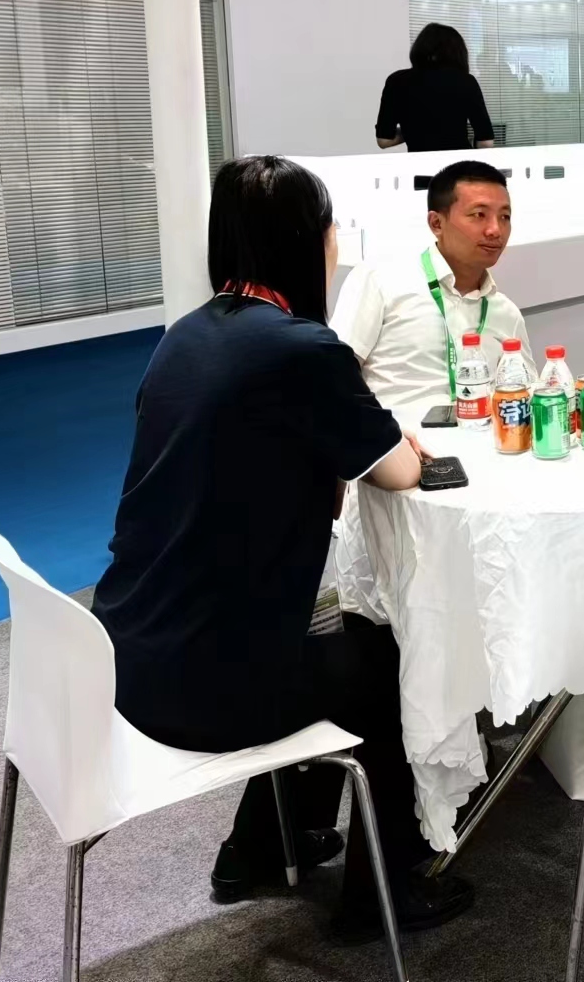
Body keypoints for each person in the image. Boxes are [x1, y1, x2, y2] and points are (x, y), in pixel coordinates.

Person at [91, 156, 472, 938]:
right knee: (389, 658)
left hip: (125, 657)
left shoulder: (186, 336)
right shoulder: (300, 351)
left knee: (328, 636)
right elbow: (400, 471)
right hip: (207, 686)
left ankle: (262, 848)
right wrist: (388, 438)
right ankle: (381, 897)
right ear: (308, 241)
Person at [332, 160, 531, 415]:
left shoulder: (507, 313)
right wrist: (383, 432)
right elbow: (335, 373)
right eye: (479, 215)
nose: (495, 230)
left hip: (481, 435)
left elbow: (528, 395)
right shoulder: (381, 280)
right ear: (437, 223)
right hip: (398, 436)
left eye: (505, 217)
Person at [375, 23, 496, 152]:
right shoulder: (466, 81)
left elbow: (384, 140)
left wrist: (412, 131)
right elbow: (486, 143)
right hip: (458, 162)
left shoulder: (396, 80)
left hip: (419, 163)